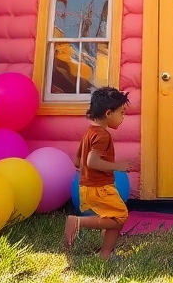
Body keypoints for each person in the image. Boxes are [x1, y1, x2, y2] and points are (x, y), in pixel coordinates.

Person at [64, 86, 131, 260]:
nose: (123, 118)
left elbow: (77, 160)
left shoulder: (89, 132)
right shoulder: (102, 135)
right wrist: (117, 166)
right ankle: (78, 222)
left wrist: (87, 171)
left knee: (115, 217)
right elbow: (91, 161)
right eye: (122, 113)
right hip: (99, 187)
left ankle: (105, 255)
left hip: (89, 186)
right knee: (120, 217)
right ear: (109, 113)